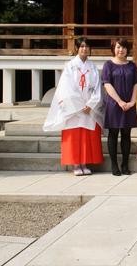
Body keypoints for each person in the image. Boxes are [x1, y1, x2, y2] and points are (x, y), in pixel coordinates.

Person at [43, 37, 104, 176]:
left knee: (87, 136)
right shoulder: (70, 66)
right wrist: (79, 105)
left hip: (89, 107)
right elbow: (66, 88)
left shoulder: (93, 67)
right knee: (75, 136)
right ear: (77, 48)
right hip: (74, 108)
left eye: (86, 46)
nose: (84, 49)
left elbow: (97, 88)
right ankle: (76, 164)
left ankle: (85, 162)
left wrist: (91, 104)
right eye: (81, 46)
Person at [102, 39, 137, 176]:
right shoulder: (108, 65)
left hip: (129, 104)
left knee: (126, 134)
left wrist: (132, 101)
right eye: (118, 47)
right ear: (114, 48)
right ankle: (114, 164)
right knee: (113, 134)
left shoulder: (132, 66)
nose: (121, 50)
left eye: (123, 47)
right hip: (114, 104)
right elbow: (107, 84)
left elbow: (136, 84)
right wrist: (119, 101)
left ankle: (125, 164)